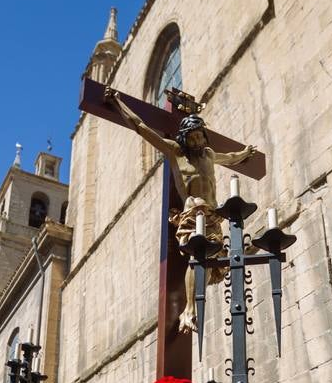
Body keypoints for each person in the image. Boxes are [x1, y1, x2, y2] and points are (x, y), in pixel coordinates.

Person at [105, 87, 257, 333]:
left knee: (213, 262)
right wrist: (118, 104)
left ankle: (240, 256)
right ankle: (190, 310)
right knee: (198, 257)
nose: (197, 141)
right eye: (193, 137)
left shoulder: (208, 154)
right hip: (192, 214)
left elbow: (229, 157)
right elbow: (141, 127)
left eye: (200, 136)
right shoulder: (175, 152)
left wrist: (244, 153)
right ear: (184, 137)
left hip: (214, 216)